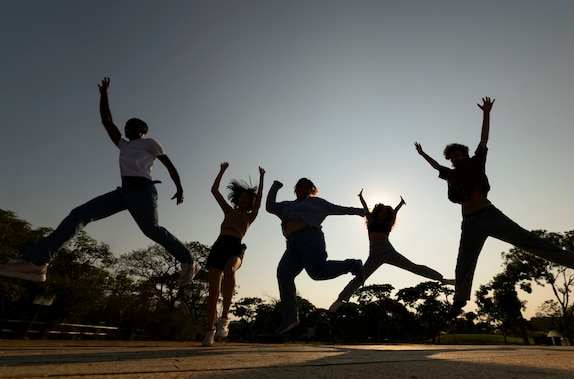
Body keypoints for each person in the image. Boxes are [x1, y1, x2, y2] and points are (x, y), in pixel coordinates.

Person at [414, 96, 574, 319]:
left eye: (457, 155)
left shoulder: (476, 162)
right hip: (469, 223)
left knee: (530, 241)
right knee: (464, 261)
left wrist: (486, 113)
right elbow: (436, 167)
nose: (454, 159)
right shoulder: (450, 174)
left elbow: (483, 140)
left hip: (489, 216)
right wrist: (422, 155)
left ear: (464, 154)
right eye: (451, 158)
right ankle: (459, 301)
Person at [0, 77, 200, 287]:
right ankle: (36, 262)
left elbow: (168, 163)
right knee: (79, 214)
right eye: (126, 124)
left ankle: (188, 261)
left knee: (151, 230)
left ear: (143, 130)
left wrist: (180, 187)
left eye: (133, 124)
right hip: (123, 193)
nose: (127, 125)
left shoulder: (149, 142)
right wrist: (104, 96)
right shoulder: (124, 145)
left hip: (142, 190)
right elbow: (107, 122)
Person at [266, 177, 366, 334]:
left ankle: (352, 265)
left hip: (310, 238)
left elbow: (337, 208)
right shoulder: (287, 206)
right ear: (296, 189)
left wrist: (359, 212)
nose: (303, 189)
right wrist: (275, 187)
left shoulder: (316, 203)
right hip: (292, 244)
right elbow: (270, 207)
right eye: (300, 186)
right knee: (284, 273)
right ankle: (291, 317)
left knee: (317, 272)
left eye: (307, 187)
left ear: (311, 190)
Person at [328, 189, 453, 312]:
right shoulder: (371, 220)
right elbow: (366, 208)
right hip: (375, 254)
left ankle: (442, 279)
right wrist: (361, 197)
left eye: (385, 213)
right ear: (377, 212)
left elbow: (395, 212)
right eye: (381, 212)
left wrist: (400, 204)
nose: (383, 214)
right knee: (361, 276)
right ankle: (340, 300)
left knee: (412, 266)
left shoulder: (388, 223)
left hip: (388, 251)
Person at [202, 162, 265, 346]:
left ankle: (224, 320)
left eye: (248, 198)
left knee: (230, 269)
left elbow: (260, 198)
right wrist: (221, 171)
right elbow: (214, 190)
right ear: (238, 199)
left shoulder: (250, 216)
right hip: (220, 245)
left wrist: (261, 178)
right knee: (213, 292)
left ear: (251, 201)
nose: (244, 200)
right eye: (242, 197)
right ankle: (209, 331)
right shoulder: (228, 210)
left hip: (235, 246)